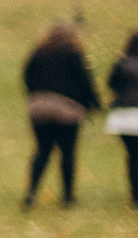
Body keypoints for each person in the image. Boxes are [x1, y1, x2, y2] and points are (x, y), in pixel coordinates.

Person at [21, 18, 99, 209]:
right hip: (67, 109)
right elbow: (85, 81)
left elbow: (27, 75)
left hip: (38, 108)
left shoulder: (38, 52)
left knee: (42, 150)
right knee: (67, 152)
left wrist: (35, 95)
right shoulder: (73, 53)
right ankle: (67, 196)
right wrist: (94, 104)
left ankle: (31, 193)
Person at [107, 32, 138, 208]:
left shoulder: (122, 63)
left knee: (133, 156)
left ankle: (135, 195)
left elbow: (111, 84)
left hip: (124, 116)